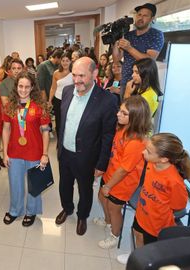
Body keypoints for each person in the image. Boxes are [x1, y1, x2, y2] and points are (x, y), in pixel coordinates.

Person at [54, 57, 118, 236]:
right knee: (64, 186)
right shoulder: (67, 91)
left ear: (95, 73)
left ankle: (83, 216)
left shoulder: (107, 100)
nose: (76, 80)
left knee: (85, 189)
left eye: (81, 75)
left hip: (87, 157)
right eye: (74, 75)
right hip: (65, 152)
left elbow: (108, 136)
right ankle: (67, 209)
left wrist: (101, 164)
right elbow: (62, 123)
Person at [116, 133, 190, 264]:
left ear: (163, 159)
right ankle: (137, 257)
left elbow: (178, 206)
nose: (143, 152)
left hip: (156, 224)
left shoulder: (174, 181)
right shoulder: (151, 163)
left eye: (148, 151)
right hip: (141, 213)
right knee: (137, 234)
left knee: (151, 250)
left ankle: (147, 263)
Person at [95, 96, 152, 249]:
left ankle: (115, 235)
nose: (118, 114)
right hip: (110, 174)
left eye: (124, 113)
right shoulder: (123, 128)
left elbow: (124, 170)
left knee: (114, 209)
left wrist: (108, 186)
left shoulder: (136, 143)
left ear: (136, 117)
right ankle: (107, 222)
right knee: (102, 197)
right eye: (120, 111)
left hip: (122, 182)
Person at [2, 72, 51, 227]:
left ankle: (31, 211)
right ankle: (15, 210)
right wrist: (5, 152)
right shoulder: (10, 106)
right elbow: (6, 129)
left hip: (34, 152)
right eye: (20, 86)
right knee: (15, 183)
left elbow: (45, 131)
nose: (23, 90)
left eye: (27, 86)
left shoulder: (40, 107)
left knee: (33, 185)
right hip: (14, 152)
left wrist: (44, 154)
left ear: (32, 88)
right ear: (16, 87)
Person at [112, 3, 164, 98]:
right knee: (124, 110)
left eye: (145, 15)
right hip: (126, 81)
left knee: (138, 112)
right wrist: (115, 41)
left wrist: (129, 48)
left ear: (152, 18)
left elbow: (150, 59)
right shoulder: (128, 35)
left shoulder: (156, 35)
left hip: (143, 84)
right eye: (139, 14)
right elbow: (117, 59)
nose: (141, 18)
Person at [48, 52, 72, 139]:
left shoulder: (74, 73)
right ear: (60, 62)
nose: (65, 63)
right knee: (59, 122)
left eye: (67, 60)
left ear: (70, 61)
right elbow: (53, 88)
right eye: (63, 60)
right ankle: (60, 142)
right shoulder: (56, 73)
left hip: (70, 100)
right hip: (58, 100)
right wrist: (50, 100)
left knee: (69, 122)